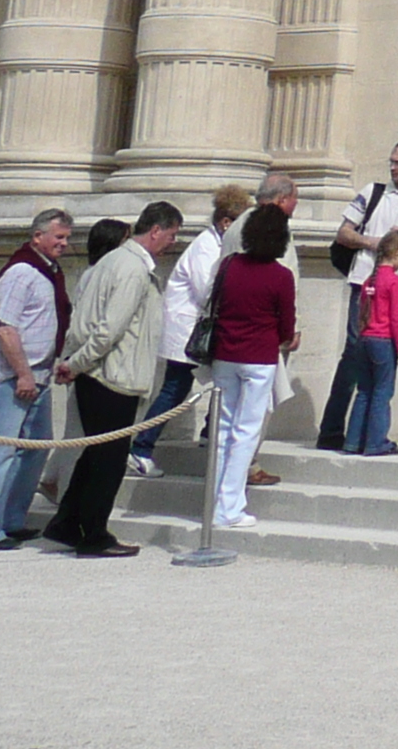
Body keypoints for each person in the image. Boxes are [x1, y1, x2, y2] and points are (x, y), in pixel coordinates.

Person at [47, 200, 182, 556]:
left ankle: (66, 522)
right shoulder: (132, 269)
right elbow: (109, 329)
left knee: (95, 455)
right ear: (155, 231)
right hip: (112, 375)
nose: (172, 242)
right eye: (171, 234)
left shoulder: (112, 261)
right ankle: (94, 535)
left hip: (99, 372)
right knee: (107, 462)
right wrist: (76, 364)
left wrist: (75, 362)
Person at [316, 138, 398, 452]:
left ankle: (371, 435)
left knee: (383, 362)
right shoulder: (373, 193)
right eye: (392, 161)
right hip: (364, 282)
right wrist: (374, 243)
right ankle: (333, 431)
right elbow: (344, 233)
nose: (394, 168)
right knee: (353, 355)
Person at [0, 208, 74, 551]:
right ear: (38, 236)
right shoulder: (21, 273)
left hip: (37, 375)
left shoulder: (47, 272)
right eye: (59, 237)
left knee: (36, 448)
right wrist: (23, 373)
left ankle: (10, 519)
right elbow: (6, 328)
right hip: (14, 378)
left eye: (67, 237)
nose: (64, 243)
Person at [134, 182, 248, 475]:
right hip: (187, 332)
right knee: (175, 389)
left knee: (222, 381)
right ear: (226, 222)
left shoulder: (221, 246)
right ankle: (140, 448)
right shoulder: (206, 248)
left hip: (199, 331)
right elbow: (207, 291)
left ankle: (210, 434)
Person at [208, 203, 303, 527]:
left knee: (222, 431)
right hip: (259, 357)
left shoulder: (229, 265)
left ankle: (215, 501)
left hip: (225, 353)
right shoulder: (281, 276)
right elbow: (287, 328)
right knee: (245, 433)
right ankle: (229, 507)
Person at [240, 170, 300, 490]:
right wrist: (291, 329)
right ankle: (246, 467)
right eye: (293, 200)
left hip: (236, 340)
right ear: (280, 200)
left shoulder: (240, 225)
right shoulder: (271, 230)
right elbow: (283, 280)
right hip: (261, 340)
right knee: (255, 414)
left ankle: (246, 465)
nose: (295, 207)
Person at [341, 230, 398, 455]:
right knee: (383, 391)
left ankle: (353, 441)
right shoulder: (394, 281)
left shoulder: (368, 281)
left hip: (365, 338)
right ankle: (376, 441)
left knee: (364, 390)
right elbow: (396, 318)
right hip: (383, 340)